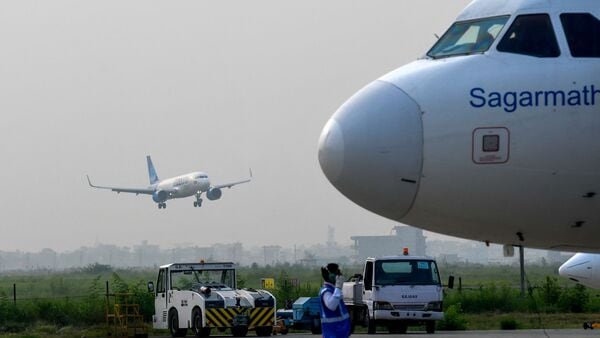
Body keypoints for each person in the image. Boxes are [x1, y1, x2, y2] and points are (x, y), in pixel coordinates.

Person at [319, 263, 351, 338]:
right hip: (332, 334)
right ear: (330, 275)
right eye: (337, 273)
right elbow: (332, 305)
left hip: (339, 333)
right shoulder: (326, 291)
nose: (339, 275)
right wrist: (338, 287)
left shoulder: (333, 290)